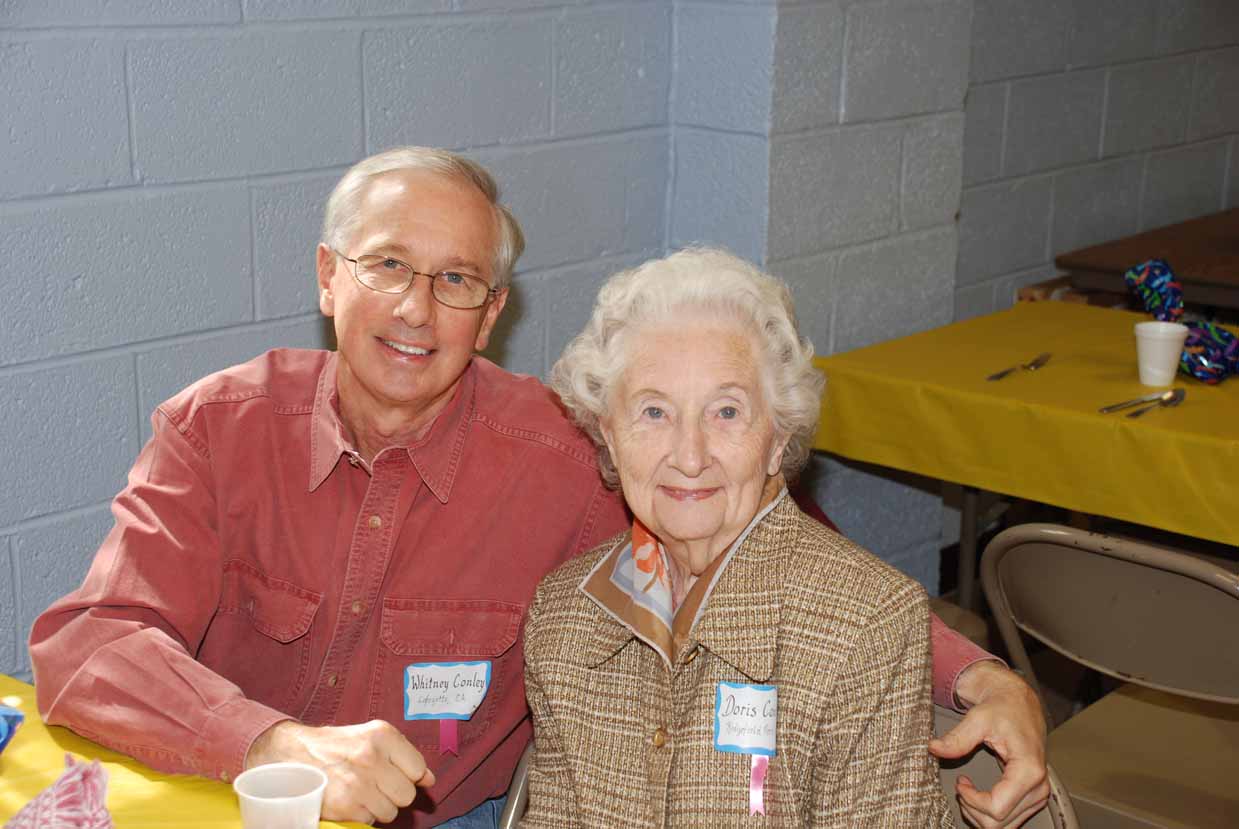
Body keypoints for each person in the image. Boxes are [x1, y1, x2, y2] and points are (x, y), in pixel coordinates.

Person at [29, 148, 1045, 828]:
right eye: (387, 266)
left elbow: (759, 551)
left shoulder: (564, 453)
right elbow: (88, 643)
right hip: (226, 799)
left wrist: (976, 675)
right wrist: (272, 740)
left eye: (455, 280)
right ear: (329, 276)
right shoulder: (220, 426)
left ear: (492, 313)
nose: (417, 308)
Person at [520, 248, 947, 825]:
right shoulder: (564, 617)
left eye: (725, 412)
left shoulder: (866, 624)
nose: (689, 456)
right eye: (654, 412)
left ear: (777, 438)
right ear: (611, 438)